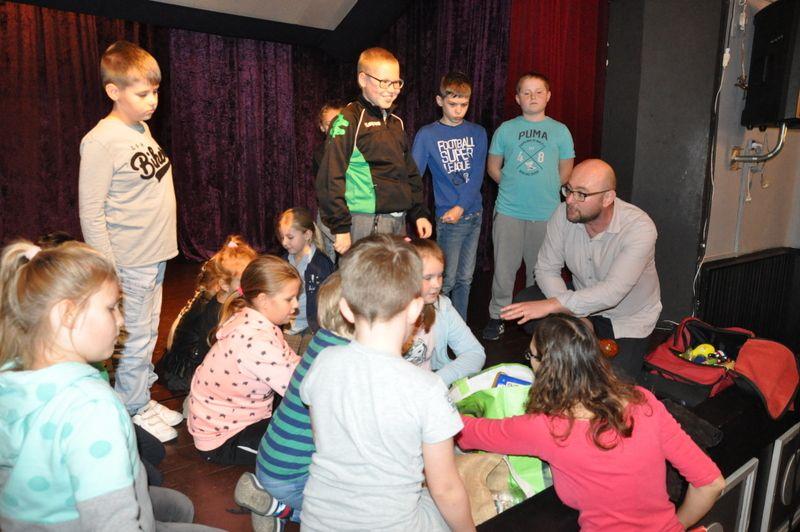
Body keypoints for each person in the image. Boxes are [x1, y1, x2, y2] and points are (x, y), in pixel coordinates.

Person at [0, 240, 221, 531]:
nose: (121, 320)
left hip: (41, 513)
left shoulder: (10, 376)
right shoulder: (92, 408)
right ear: (67, 315)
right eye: (111, 307)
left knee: (179, 506)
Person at [458, 315, 725, 531]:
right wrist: (676, 527)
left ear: (546, 368)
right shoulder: (643, 402)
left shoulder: (548, 428)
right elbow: (711, 483)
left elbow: (467, 432)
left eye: (531, 356)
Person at [299, 235, 474, 531]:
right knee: (463, 487)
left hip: (317, 523)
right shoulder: (427, 388)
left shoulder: (323, 362)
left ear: (345, 308)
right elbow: (445, 488)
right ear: (416, 309)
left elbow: (323, 441)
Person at [78, 40, 182, 440]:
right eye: (142, 93)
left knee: (147, 332)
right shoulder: (101, 141)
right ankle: (131, 407)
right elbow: (91, 212)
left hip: (154, 254)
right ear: (113, 91)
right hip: (129, 259)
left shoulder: (141, 128)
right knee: (135, 337)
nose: (152, 100)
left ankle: (139, 394)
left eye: (155, 91)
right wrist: (109, 270)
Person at [500, 159, 661, 380]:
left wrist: (556, 306)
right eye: (568, 189)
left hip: (625, 318)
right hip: (580, 297)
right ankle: (572, 349)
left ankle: (581, 351)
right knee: (527, 301)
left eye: (581, 194)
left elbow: (612, 292)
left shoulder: (639, 228)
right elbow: (546, 268)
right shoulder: (563, 214)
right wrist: (574, 314)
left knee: (611, 387)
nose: (569, 200)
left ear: (607, 198)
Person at [233, 272, 354, 530]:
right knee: (350, 514)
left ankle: (271, 504)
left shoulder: (322, 341)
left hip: (272, 463)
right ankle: (278, 508)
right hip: (292, 478)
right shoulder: (344, 360)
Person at [482, 72, 574, 341]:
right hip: (509, 211)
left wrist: (545, 188)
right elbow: (493, 167)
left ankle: (536, 320)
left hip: (545, 213)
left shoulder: (560, 131)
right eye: (526, 92)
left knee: (540, 271)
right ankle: (497, 316)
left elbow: (566, 171)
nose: (533, 97)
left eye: (538, 92)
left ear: (548, 96)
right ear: (517, 98)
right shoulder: (506, 130)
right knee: (504, 269)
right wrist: (512, 184)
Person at [315, 47, 432, 256]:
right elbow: (330, 176)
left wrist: (418, 212)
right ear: (363, 79)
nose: (392, 89)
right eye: (384, 82)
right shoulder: (348, 120)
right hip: (364, 223)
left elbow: (409, 172)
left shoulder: (396, 122)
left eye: (396, 82)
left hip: (397, 222)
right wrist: (340, 228)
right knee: (362, 278)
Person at [187, 256, 301, 466]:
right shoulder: (255, 342)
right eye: (289, 299)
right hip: (224, 439)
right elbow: (300, 392)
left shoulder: (253, 318)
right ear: (263, 300)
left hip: (240, 415)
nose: (296, 305)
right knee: (305, 447)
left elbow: (291, 362)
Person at [412, 72, 487, 321]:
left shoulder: (477, 132)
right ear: (439, 101)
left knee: (466, 278)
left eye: (464, 104)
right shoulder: (427, 135)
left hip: (473, 213)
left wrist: (462, 206)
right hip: (448, 218)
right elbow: (414, 176)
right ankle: (438, 329)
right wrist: (420, 211)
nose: (458, 110)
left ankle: (460, 327)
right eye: (453, 104)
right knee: (446, 280)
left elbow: (477, 175)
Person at [160, 235, 257, 393]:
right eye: (244, 282)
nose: (250, 285)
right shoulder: (215, 312)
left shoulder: (222, 298)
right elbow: (211, 356)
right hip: (189, 371)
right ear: (224, 285)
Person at [405, 239, 485, 385]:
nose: (437, 284)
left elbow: (475, 353)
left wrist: (436, 381)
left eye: (440, 275)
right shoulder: (386, 316)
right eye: (428, 277)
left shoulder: (441, 306)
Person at [276, 207, 335, 357]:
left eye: (290, 237)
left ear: (307, 235)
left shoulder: (322, 265)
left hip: (313, 328)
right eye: (282, 237)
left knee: (307, 363)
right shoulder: (282, 262)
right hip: (288, 326)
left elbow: (330, 300)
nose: (284, 242)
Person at [312, 100, 346, 260]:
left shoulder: (358, 149)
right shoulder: (320, 153)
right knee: (328, 255)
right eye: (329, 123)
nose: (334, 127)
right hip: (330, 212)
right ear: (322, 127)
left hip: (354, 212)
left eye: (338, 122)